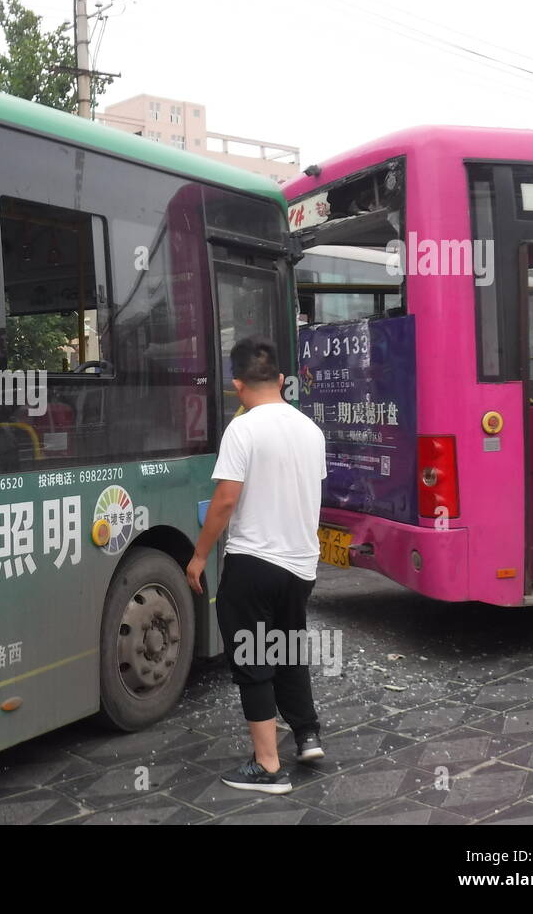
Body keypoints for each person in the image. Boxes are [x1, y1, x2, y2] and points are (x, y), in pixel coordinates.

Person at [185, 338, 327, 795]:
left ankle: (267, 766)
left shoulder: (242, 429)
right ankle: (306, 735)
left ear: (238, 385)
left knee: (253, 658)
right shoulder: (310, 429)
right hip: (301, 566)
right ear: (283, 381)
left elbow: (225, 500)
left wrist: (200, 554)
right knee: (287, 647)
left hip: (254, 562)